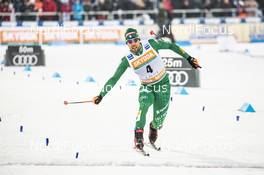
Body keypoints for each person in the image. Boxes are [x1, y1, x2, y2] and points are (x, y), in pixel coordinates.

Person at [92, 28, 201, 152]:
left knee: (159, 120)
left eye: (134, 40)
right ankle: (138, 136)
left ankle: (154, 127)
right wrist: (101, 95)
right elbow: (114, 78)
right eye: (129, 42)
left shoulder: (151, 44)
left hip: (163, 84)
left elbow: (171, 46)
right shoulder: (127, 59)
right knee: (144, 105)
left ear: (139, 40)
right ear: (127, 44)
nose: (132, 43)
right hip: (147, 86)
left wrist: (189, 58)